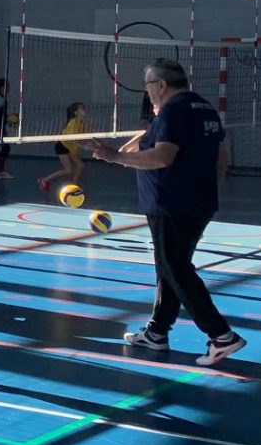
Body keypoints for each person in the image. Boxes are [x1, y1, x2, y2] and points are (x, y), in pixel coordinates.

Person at [90, 60, 245, 366]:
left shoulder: (174, 110)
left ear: (160, 85)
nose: (147, 92)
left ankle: (221, 335)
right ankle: (157, 332)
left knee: (175, 268)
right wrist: (119, 152)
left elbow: (162, 157)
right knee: (168, 266)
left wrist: (114, 157)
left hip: (172, 203)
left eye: (148, 85)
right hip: (196, 201)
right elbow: (221, 158)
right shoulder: (204, 108)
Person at [39, 101, 87, 195]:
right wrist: (84, 146)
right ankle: (45, 180)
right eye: (82, 108)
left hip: (70, 147)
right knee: (68, 170)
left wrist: (95, 144)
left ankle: (73, 185)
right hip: (62, 146)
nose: (84, 110)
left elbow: (83, 137)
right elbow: (72, 138)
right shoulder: (73, 122)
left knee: (80, 165)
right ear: (76, 112)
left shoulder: (81, 122)